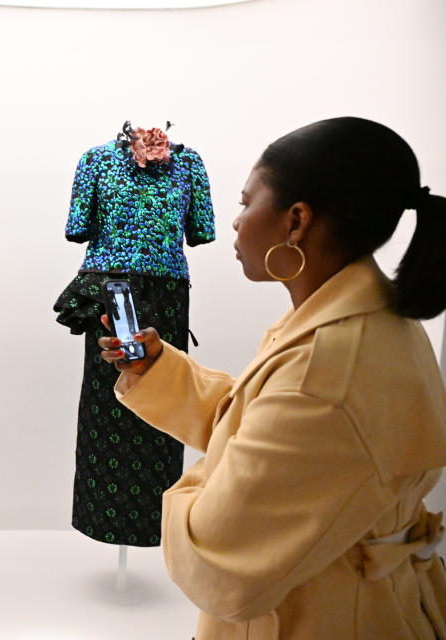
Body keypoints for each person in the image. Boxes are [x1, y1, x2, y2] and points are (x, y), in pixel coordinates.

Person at [98, 117, 446, 639]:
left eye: (245, 202)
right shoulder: (359, 320)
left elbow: (215, 557)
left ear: (296, 221)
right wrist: (161, 371)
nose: (236, 223)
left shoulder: (328, 372)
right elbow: (261, 426)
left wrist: (204, 479)